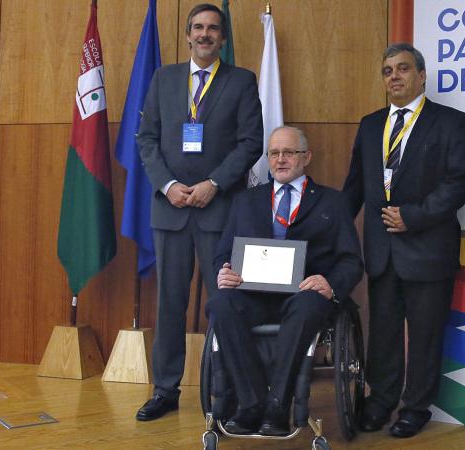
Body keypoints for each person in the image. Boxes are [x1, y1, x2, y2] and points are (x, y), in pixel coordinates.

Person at [135, 3, 263, 421]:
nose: (205, 34)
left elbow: (250, 143)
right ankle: (165, 390)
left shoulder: (242, 81)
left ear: (222, 39)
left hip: (219, 208)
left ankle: (226, 390)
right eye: (198, 28)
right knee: (169, 305)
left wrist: (214, 184)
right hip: (170, 209)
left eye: (213, 29)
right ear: (188, 35)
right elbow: (147, 139)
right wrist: (169, 185)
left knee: (225, 303)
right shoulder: (163, 78)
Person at [343, 43, 465, 438]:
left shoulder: (451, 122)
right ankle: (381, 401)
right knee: (382, 333)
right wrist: (328, 230)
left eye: (402, 69)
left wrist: (413, 216)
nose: (394, 77)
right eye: (387, 71)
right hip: (381, 250)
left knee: (424, 334)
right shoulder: (370, 125)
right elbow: (354, 188)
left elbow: (460, 181)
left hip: (428, 248)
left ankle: (416, 407)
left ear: (421, 76)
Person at [205, 126, 364, 436]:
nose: (280, 160)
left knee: (307, 306)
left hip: (304, 295)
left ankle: (278, 405)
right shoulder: (245, 201)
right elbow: (221, 253)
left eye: (288, 153)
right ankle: (251, 404)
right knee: (220, 304)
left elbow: (351, 260)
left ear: (306, 157)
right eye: (274, 153)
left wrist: (329, 283)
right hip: (252, 295)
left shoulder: (333, 202)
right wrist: (223, 271)